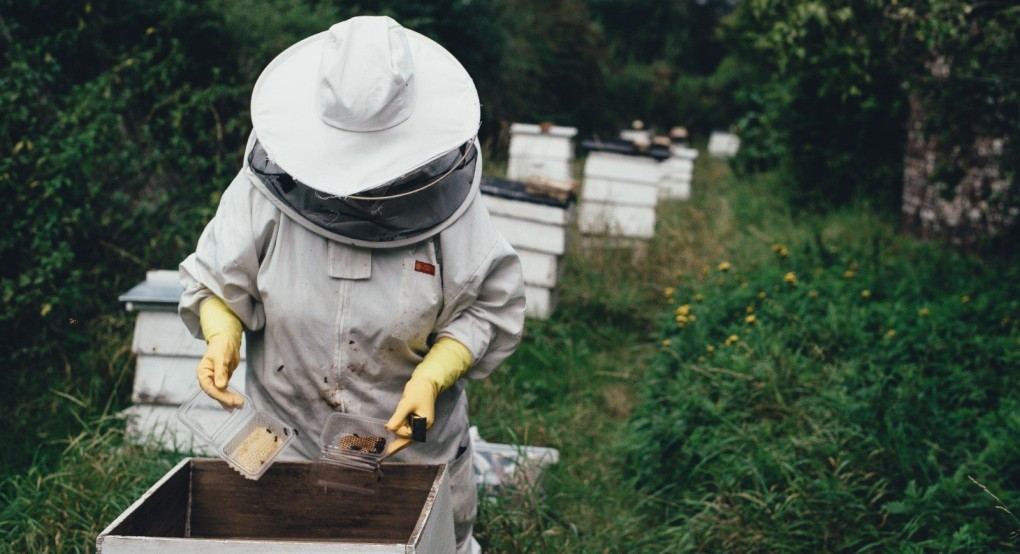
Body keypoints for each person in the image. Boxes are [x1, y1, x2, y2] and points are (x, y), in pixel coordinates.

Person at [177, 15, 525, 553]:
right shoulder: (261, 195)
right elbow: (220, 281)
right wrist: (222, 336)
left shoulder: (452, 208)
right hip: (285, 453)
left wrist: (432, 377)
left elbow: (487, 308)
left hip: (411, 463)